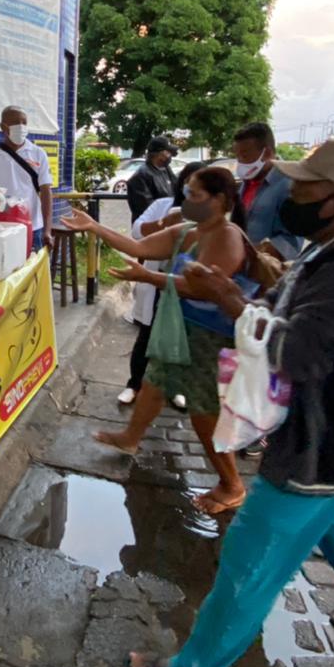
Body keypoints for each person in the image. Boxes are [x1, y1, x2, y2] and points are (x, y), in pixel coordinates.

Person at [123, 140, 334, 667]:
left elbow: (299, 354)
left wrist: (234, 301)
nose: (291, 196)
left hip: (321, 442)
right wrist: (276, 277)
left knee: (248, 563)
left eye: (303, 189)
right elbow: (308, 315)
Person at [63, 167, 279, 516]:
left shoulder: (228, 237)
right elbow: (138, 246)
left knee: (203, 413)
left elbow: (200, 287)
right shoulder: (188, 231)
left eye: (195, 195)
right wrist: (94, 226)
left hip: (216, 336)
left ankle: (232, 484)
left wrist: (148, 276)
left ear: (220, 200)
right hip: (184, 326)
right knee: (155, 381)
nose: (186, 201)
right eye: (187, 193)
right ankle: (131, 437)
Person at [118, 161, 205, 410]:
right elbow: (136, 233)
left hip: (188, 287)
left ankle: (176, 388)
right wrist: (164, 224)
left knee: (182, 338)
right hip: (157, 282)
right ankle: (134, 384)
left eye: (199, 184)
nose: (192, 188)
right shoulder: (163, 206)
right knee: (146, 335)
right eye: (189, 181)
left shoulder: (210, 215)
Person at [0, 105, 54, 252]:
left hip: (32, 228)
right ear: (4, 127)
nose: (21, 127)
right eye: (16, 123)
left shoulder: (38, 153)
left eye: (24, 122)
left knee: (31, 272)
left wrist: (47, 229)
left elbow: (46, 192)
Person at [232, 122, 302, 260]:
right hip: (241, 271)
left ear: (267, 153)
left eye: (245, 156)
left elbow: (290, 242)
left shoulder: (290, 186)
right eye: (237, 156)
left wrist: (248, 256)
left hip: (266, 275)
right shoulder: (246, 183)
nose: (240, 162)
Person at [126, 135, 178, 221]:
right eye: (168, 152)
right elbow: (147, 210)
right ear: (158, 154)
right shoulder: (141, 176)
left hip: (166, 225)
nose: (170, 156)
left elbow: (177, 190)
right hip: (151, 228)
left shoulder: (166, 169)